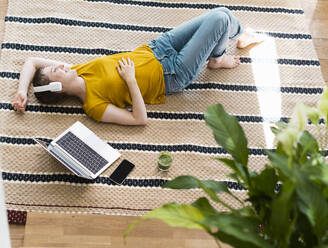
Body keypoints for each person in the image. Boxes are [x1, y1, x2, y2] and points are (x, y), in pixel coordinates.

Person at [11, 7, 262, 126]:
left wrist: (22, 91)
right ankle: (223, 48)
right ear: (56, 88)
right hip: (172, 73)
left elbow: (32, 61)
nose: (62, 66)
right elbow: (139, 119)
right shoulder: (93, 106)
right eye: (57, 71)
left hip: (158, 48)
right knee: (220, 19)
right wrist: (130, 80)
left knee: (222, 13)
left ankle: (217, 56)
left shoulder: (79, 68)